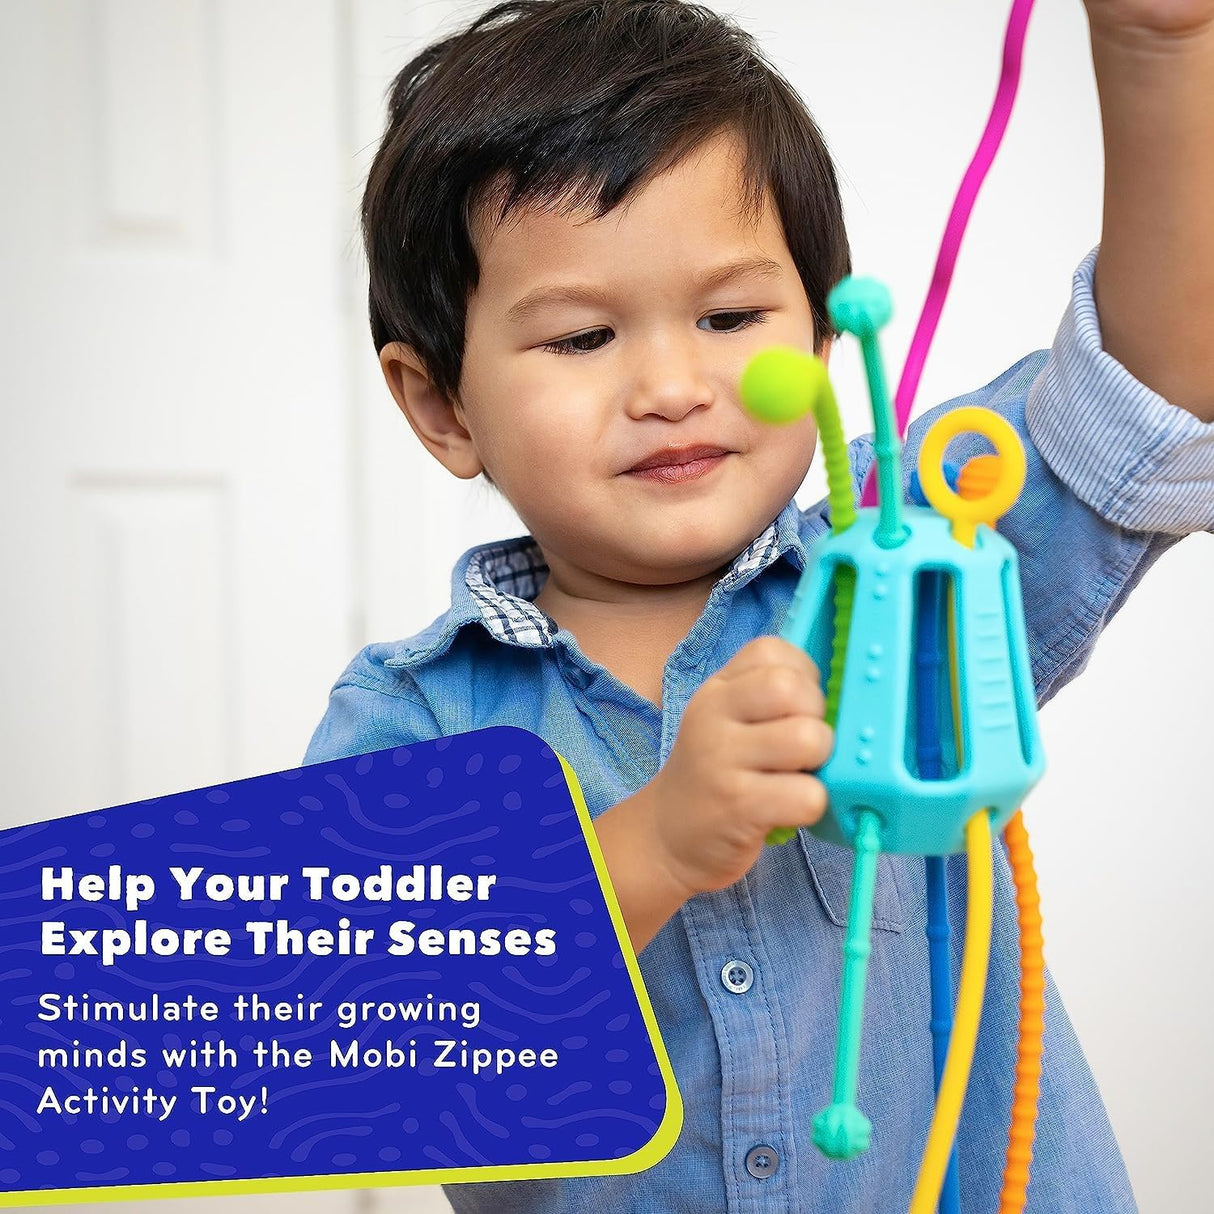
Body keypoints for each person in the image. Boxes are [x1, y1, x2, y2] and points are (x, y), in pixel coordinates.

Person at [304, 1, 1214, 1209]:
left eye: (729, 318)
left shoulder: (908, 563)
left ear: (821, 337)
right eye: (581, 336)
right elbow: (362, 1039)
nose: (672, 385)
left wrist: (1163, 47)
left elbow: (1144, 393)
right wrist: (654, 842)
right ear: (441, 406)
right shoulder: (411, 720)